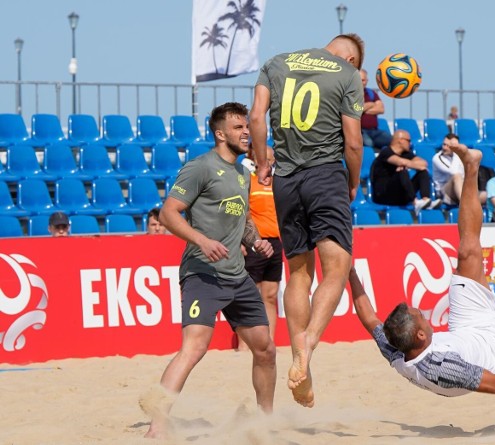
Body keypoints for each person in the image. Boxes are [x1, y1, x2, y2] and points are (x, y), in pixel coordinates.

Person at [349, 143, 495, 396]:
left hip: (467, 325)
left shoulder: (396, 346)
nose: (425, 314)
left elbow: (369, 318)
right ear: (422, 335)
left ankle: (471, 166)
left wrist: (349, 272)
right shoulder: (441, 368)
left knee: (467, 250)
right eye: (421, 316)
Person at [144, 103, 276, 438]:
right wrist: (201, 240)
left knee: (265, 349)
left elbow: (243, 220)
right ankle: (157, 424)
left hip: (237, 274)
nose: (246, 132)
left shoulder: (242, 173)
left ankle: (267, 420)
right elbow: (169, 213)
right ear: (220, 134)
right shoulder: (200, 167)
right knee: (195, 347)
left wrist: (257, 240)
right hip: (202, 272)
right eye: (237, 127)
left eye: (247, 126)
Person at [249, 34, 365, 408]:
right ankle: (309, 342)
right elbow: (353, 142)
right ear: (349, 57)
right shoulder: (346, 74)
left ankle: (302, 361)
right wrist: (352, 181)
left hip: (285, 179)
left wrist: (264, 163)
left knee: (298, 273)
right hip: (325, 175)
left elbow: (255, 117)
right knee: (338, 265)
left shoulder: (277, 62)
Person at [237, 145, 283, 351]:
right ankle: (244, 346)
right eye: (265, 159)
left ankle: (269, 341)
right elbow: (240, 215)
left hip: (276, 242)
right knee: (251, 295)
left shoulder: (277, 184)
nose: (269, 163)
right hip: (255, 242)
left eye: (271, 159)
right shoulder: (248, 182)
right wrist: (240, 241)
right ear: (255, 160)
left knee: (271, 296)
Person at [370, 129, 440, 214]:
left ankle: (426, 201)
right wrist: (407, 164)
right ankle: (415, 202)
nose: (410, 143)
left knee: (423, 172)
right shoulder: (386, 152)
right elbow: (400, 162)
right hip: (384, 196)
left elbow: (424, 163)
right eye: (408, 141)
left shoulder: (406, 154)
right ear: (400, 140)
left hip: (401, 196)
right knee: (402, 170)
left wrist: (409, 164)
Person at [360, 69, 392, 151]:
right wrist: (372, 104)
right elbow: (355, 110)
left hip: (374, 131)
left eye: (363, 80)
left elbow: (381, 109)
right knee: (368, 144)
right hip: (360, 131)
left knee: (393, 141)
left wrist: (364, 109)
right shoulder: (350, 94)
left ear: (367, 81)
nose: (361, 82)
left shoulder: (371, 93)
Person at [432, 133, 465, 205]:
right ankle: (464, 205)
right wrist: (456, 152)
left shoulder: (460, 156)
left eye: (448, 146)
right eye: (444, 144)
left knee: (485, 195)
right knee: (457, 176)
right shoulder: (437, 158)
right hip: (444, 193)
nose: (445, 148)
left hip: (461, 189)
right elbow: (454, 172)